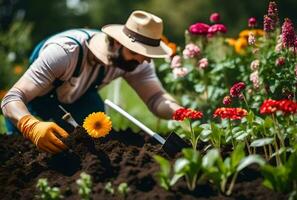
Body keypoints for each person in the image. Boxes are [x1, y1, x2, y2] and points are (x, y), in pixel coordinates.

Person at [1, 10, 182, 154]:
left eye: (148, 55)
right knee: (23, 152)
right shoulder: (64, 53)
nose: (143, 60)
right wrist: (30, 126)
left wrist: (179, 112)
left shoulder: (136, 62)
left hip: (80, 99)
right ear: (117, 42)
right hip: (36, 103)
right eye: (136, 52)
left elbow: (156, 98)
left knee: (97, 143)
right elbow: (12, 98)